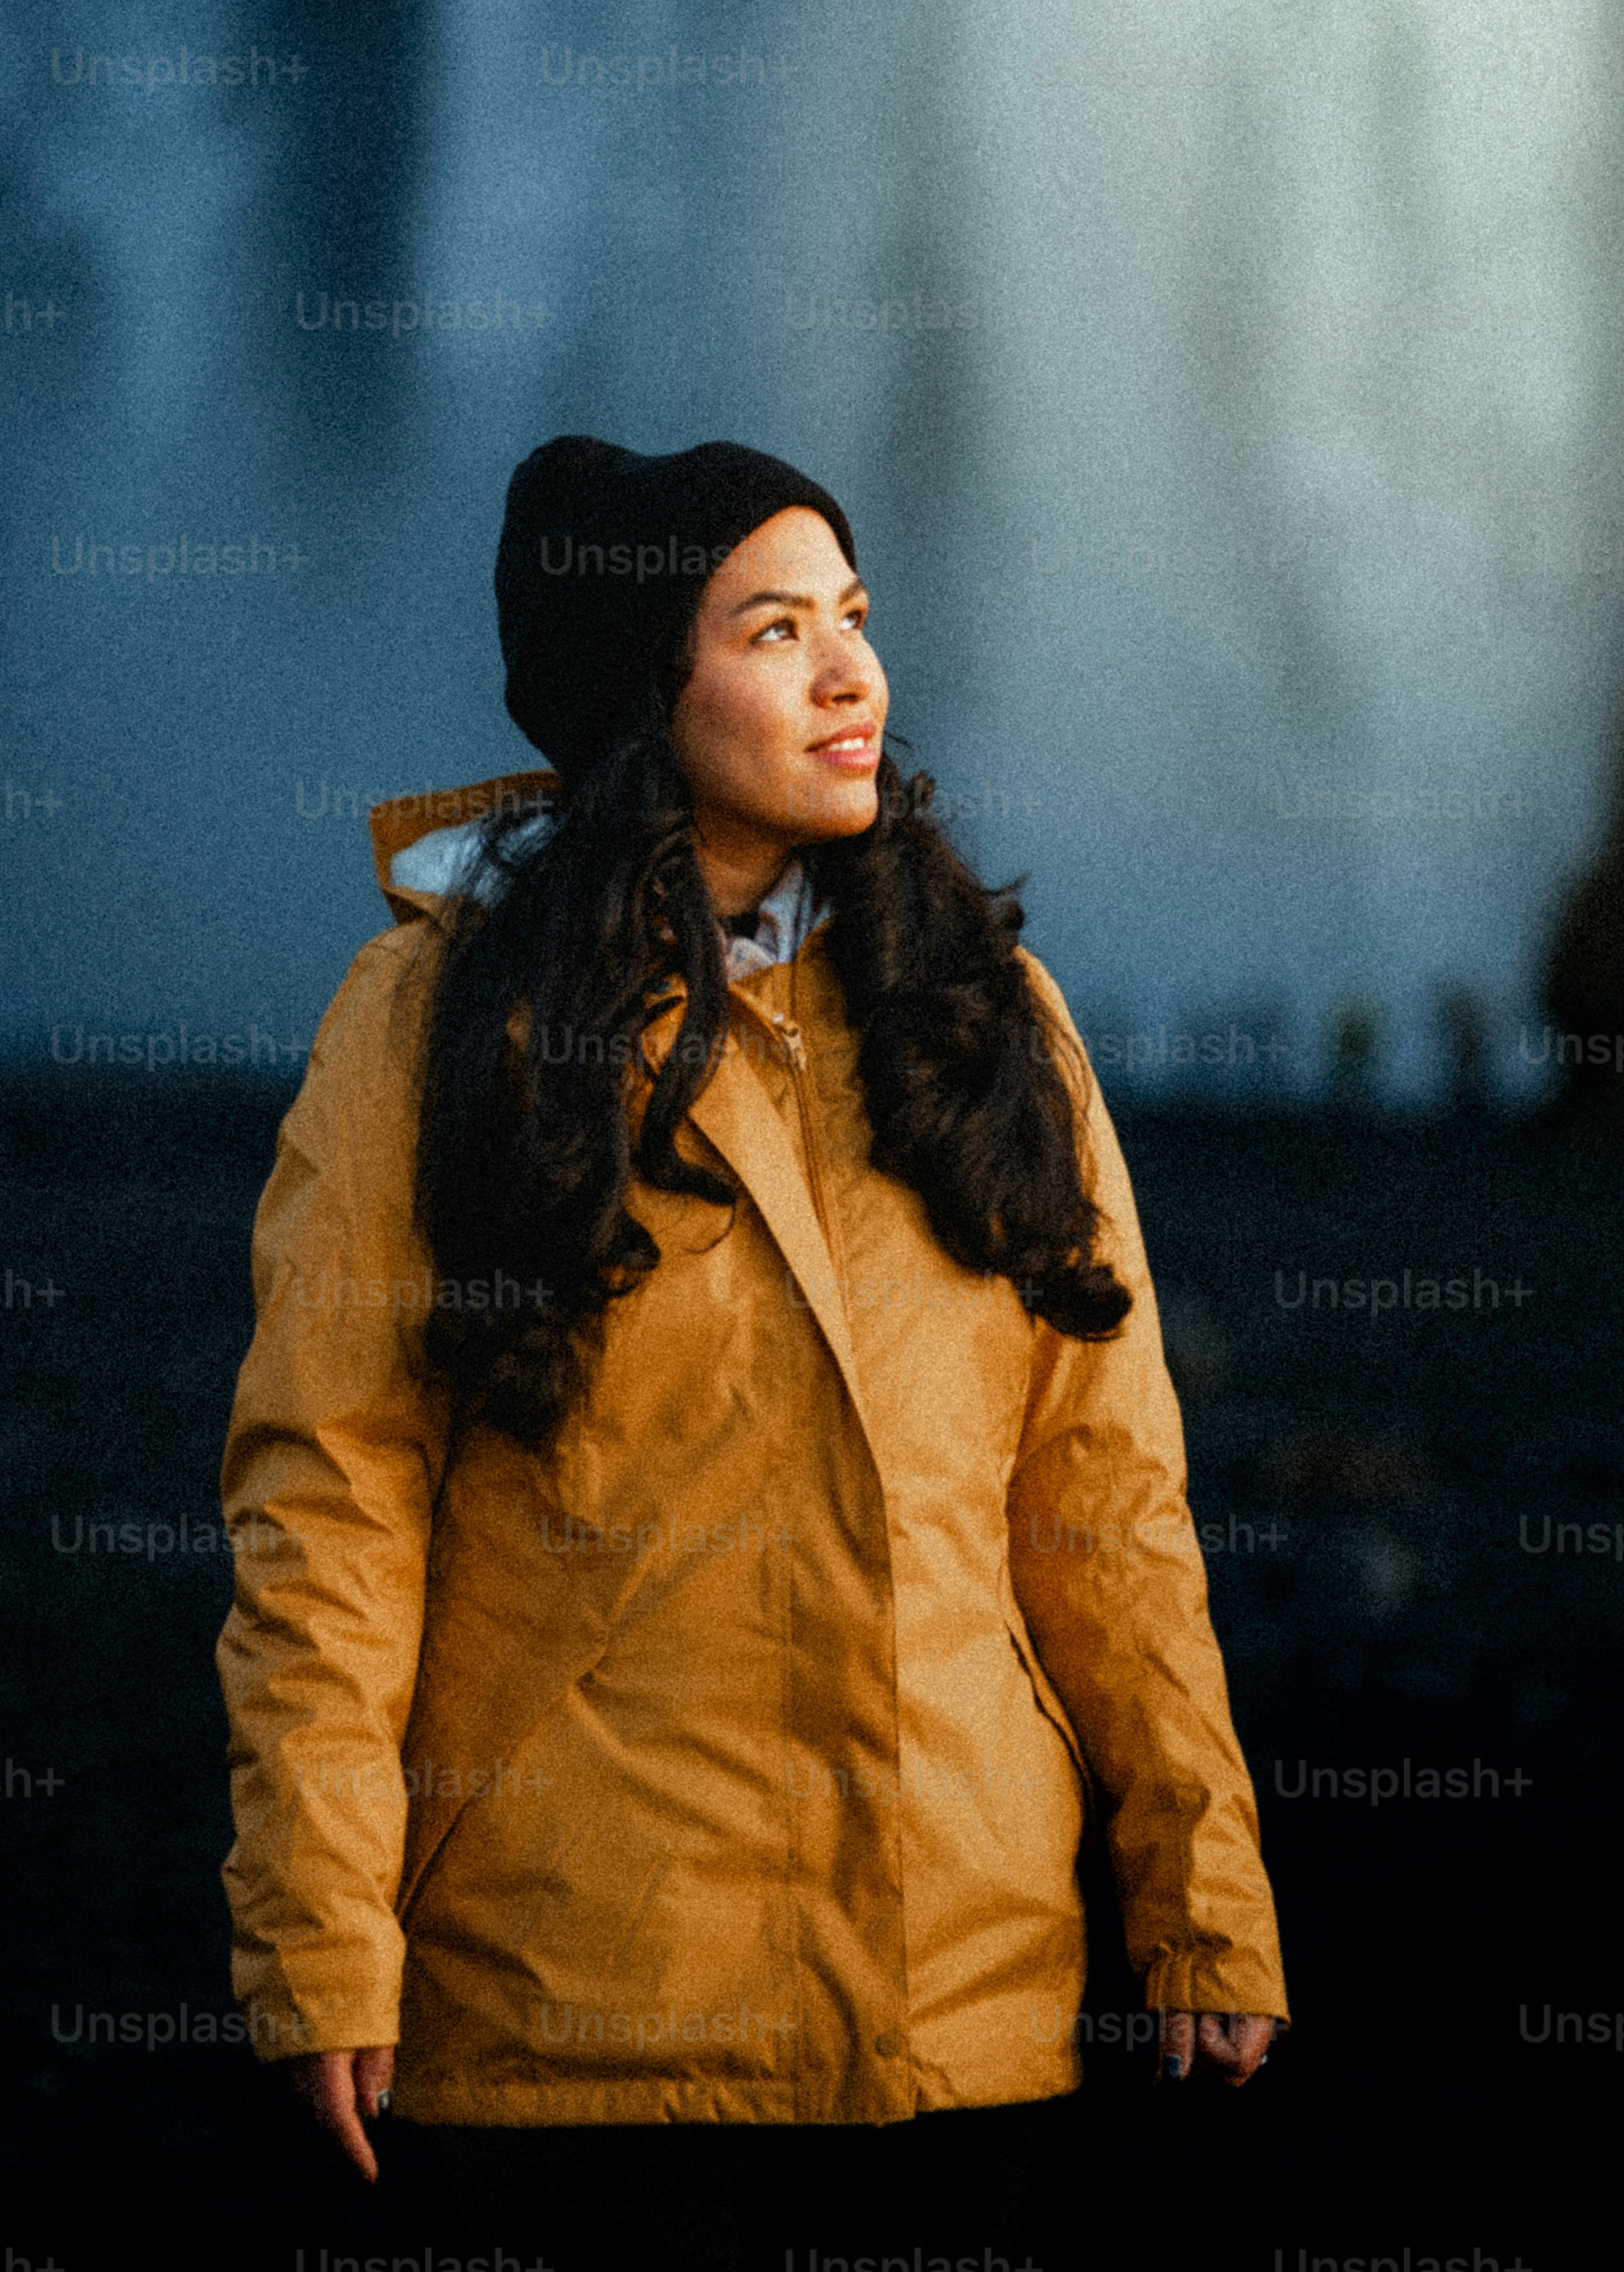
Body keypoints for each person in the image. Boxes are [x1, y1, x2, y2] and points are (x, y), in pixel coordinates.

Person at [216, 436, 1287, 2272]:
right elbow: (332, 1507)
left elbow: (1103, 1490)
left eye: (854, 619)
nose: (850, 673)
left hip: (952, 1978)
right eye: (772, 629)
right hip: (586, 1979)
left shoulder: (984, 1013)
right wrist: (320, 1937)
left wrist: (1203, 1891)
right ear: (646, 687)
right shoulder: (432, 1024)